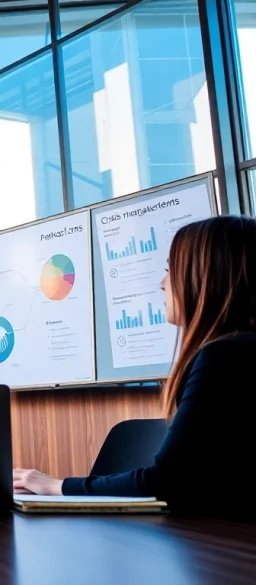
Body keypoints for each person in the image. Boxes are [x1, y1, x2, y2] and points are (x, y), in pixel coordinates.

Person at [13, 215, 256, 516]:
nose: (163, 284)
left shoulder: (224, 359)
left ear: (206, 278)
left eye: (171, 270)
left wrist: (55, 486)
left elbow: (163, 481)